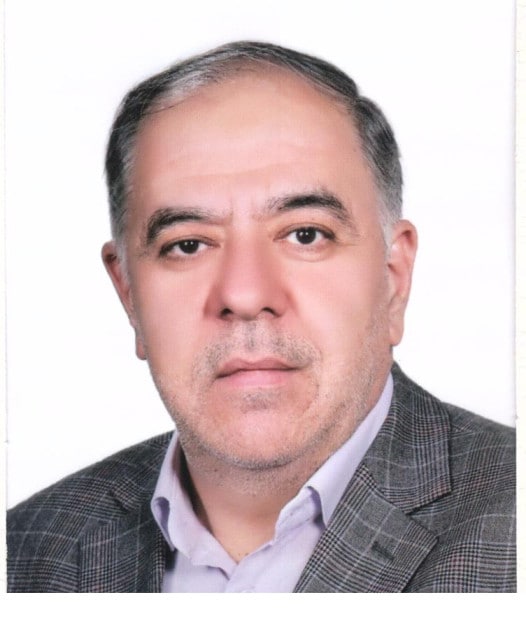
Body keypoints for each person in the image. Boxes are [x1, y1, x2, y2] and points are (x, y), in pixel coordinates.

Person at [7, 41, 515, 593]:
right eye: (188, 244)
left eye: (306, 235)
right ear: (128, 293)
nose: (245, 295)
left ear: (394, 277)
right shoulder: (28, 551)